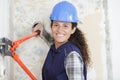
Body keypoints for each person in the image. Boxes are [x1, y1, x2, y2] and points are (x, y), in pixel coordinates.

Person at [32, 1, 90, 80]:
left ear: (73, 29)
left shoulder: (71, 56)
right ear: (51, 26)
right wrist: (38, 26)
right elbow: (50, 39)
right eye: (56, 25)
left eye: (65, 26)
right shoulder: (57, 46)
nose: (59, 30)